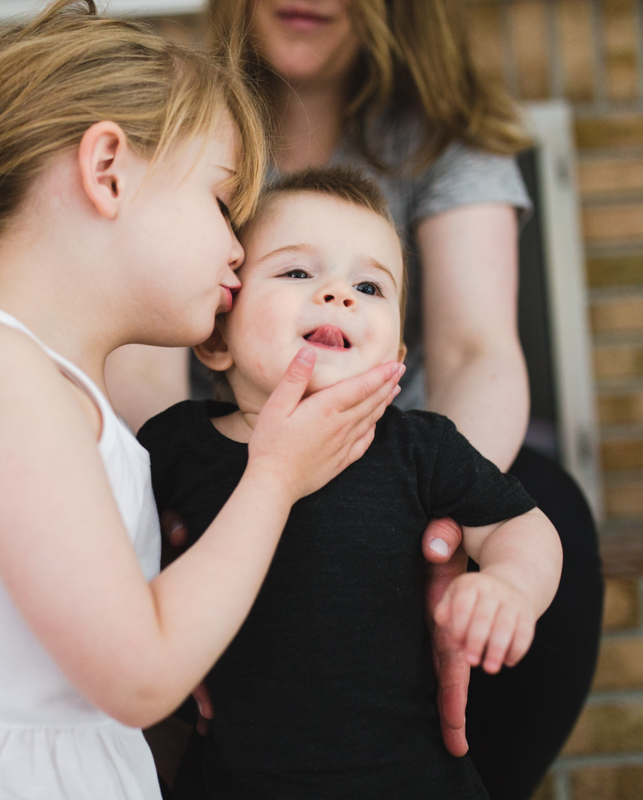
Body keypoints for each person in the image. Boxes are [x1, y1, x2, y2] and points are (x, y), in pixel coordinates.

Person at [0, 3, 405, 797]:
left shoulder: (51, 388)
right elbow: (139, 676)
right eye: (223, 204)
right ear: (108, 171)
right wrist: (273, 476)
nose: (240, 248)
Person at [187, 3, 605, 797]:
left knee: (548, 506)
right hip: (232, 453)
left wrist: (422, 514)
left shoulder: (442, 133)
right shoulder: (187, 120)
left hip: (389, 455)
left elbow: (475, 349)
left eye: (368, 284)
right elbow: (137, 365)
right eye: (298, 272)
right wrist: (170, 520)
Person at [140, 167, 562, 798]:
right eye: (297, 272)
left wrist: (512, 586)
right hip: (236, 779)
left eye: (369, 285)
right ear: (216, 336)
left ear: (395, 359)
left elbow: (517, 524)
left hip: (412, 781)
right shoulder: (174, 446)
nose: (339, 294)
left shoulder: (419, 447)